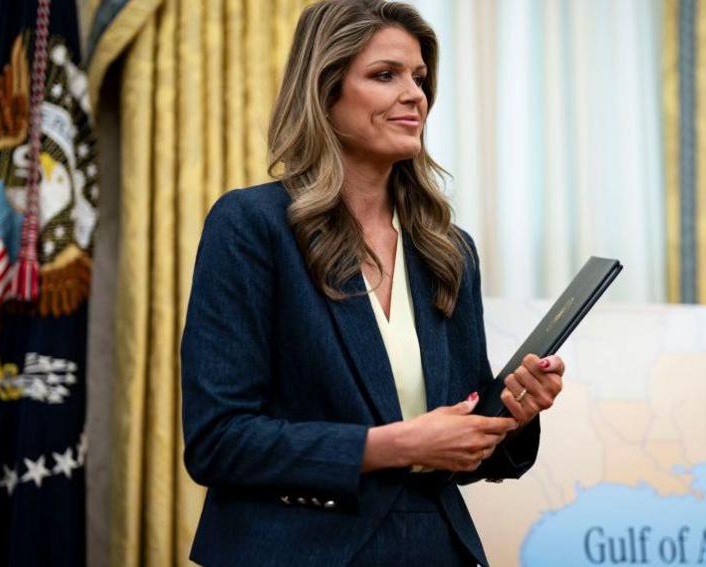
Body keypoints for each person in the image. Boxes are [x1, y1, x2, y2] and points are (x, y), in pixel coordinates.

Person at [180, 1, 565, 565]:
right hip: (294, 550)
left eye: (419, 78)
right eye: (385, 75)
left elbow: (468, 443)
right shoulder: (252, 227)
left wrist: (513, 412)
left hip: (433, 548)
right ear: (325, 90)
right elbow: (219, 440)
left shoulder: (447, 249)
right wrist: (396, 445)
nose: (415, 95)